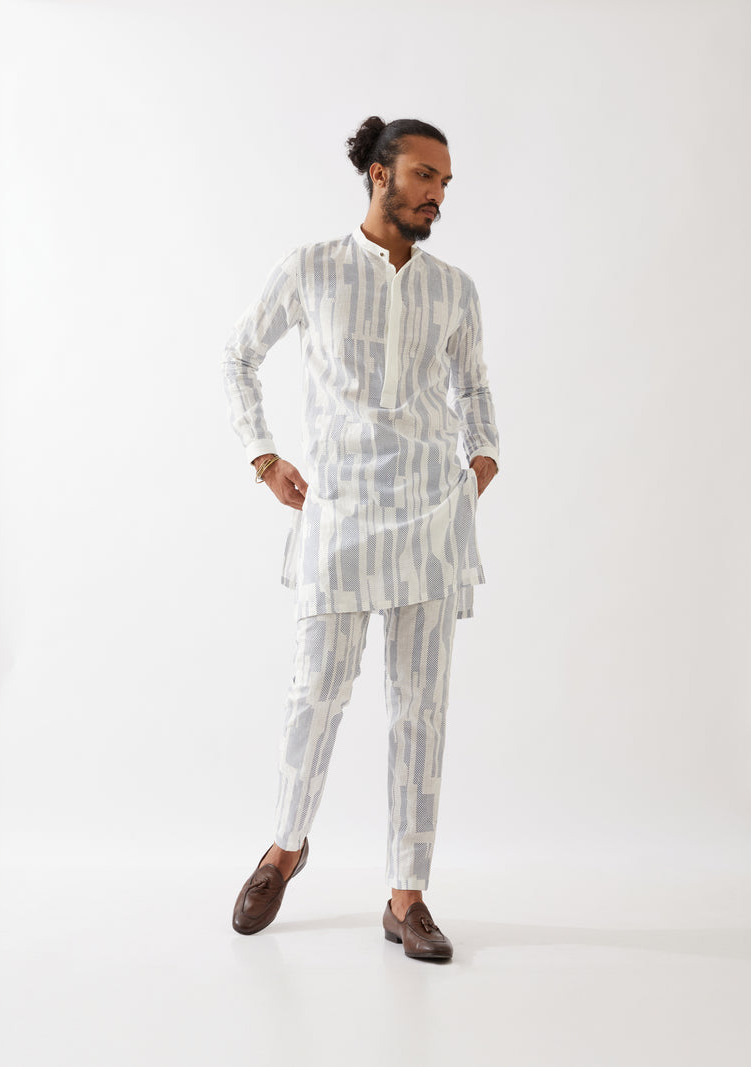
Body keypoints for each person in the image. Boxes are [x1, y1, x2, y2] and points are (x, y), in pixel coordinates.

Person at [222, 116, 500, 962]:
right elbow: (239, 355)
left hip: (429, 520)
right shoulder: (311, 268)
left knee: (421, 710)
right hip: (339, 516)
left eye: (445, 183)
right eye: (424, 176)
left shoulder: (453, 288)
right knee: (314, 693)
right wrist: (263, 455)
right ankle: (285, 848)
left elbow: (475, 386)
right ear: (380, 174)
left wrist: (482, 461)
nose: (437, 194)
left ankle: (406, 895)